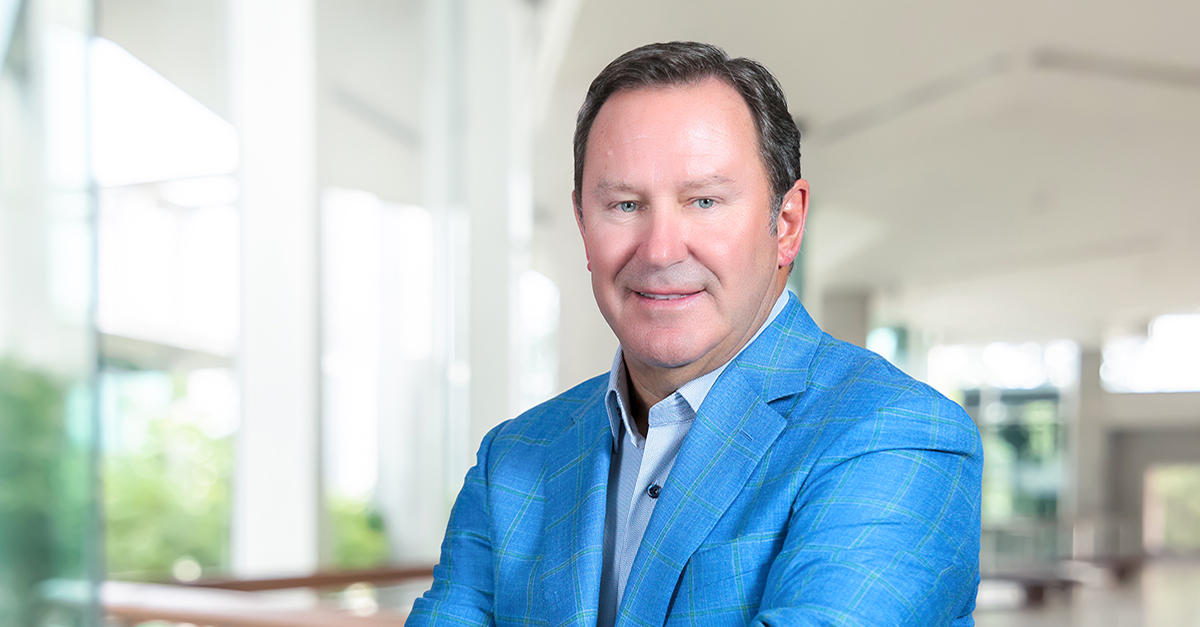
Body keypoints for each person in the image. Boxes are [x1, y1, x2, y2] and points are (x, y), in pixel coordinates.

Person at [408, 41, 982, 627]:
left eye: (704, 201)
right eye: (625, 205)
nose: (660, 251)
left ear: (786, 224)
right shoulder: (512, 459)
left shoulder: (895, 434)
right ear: (582, 225)